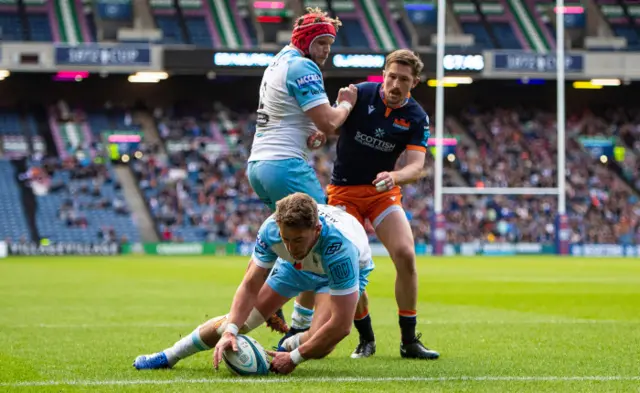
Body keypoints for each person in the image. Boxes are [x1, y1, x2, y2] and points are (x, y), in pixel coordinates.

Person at [281, 50, 440, 360]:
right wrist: (318, 136)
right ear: (384, 73)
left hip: (382, 194)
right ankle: (366, 338)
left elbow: (416, 167)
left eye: (403, 80)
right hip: (343, 194)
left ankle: (409, 340)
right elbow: (332, 124)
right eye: (392, 76)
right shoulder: (361, 93)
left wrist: (395, 176)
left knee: (406, 255)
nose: (395, 84)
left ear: (415, 83)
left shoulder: (417, 116)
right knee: (349, 265)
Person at [133, 193, 374, 375]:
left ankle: (288, 344)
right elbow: (250, 285)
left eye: (298, 239)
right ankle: (168, 356)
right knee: (234, 323)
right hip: (295, 268)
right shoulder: (271, 230)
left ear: (317, 229)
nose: (290, 248)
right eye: (285, 239)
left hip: (336, 273)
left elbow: (341, 326)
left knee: (320, 345)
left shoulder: (340, 250)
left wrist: (294, 358)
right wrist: (230, 331)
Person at [246, 7, 357, 340]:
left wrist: (314, 130)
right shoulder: (302, 66)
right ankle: (301, 324)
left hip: (260, 166)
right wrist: (346, 103)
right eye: (321, 43)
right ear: (307, 40)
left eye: (329, 44)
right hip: (285, 166)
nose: (326, 51)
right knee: (319, 238)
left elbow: (294, 116)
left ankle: (292, 314)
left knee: (296, 240)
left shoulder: (280, 60)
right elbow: (330, 121)